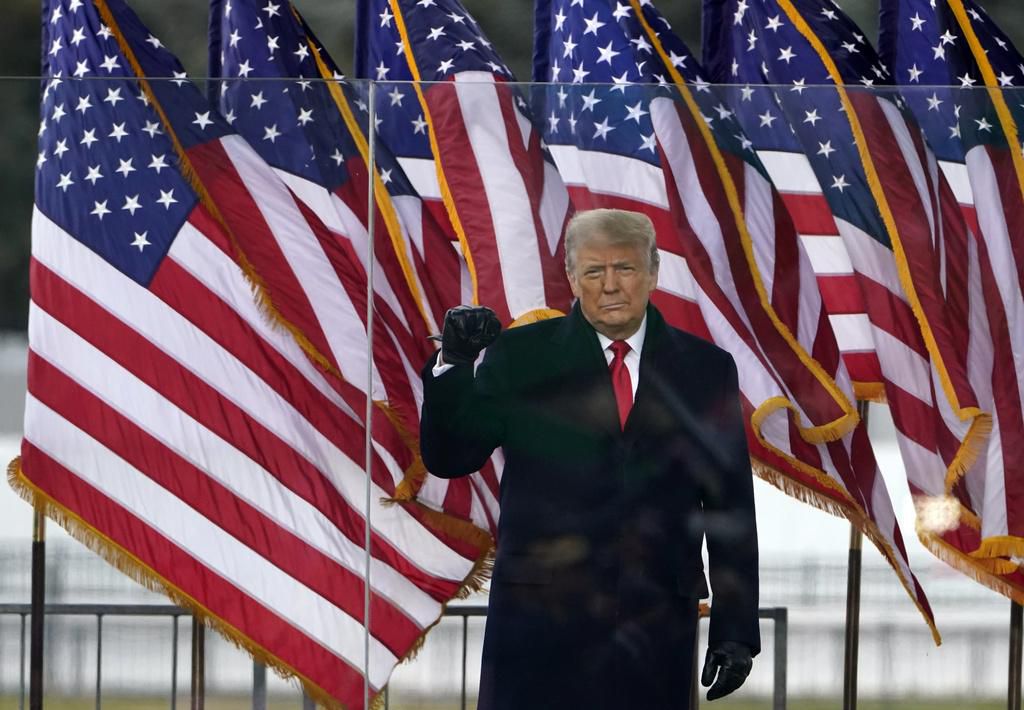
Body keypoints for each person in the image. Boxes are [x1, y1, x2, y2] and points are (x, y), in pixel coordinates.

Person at [420, 208, 759, 709]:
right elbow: (451, 456)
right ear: (573, 278)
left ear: (653, 271)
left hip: (656, 625)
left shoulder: (706, 368)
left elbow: (729, 504)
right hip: (537, 624)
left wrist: (735, 629)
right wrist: (455, 365)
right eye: (594, 272)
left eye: (624, 269)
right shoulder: (520, 357)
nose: (610, 286)